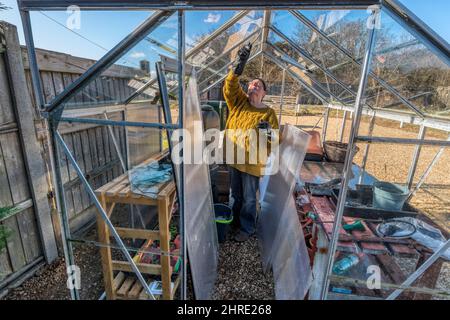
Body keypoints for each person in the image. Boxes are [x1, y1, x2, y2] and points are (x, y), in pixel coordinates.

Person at [222, 43, 279, 242]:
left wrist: (268, 133)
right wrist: (237, 67)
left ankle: (247, 228)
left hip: (253, 163)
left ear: (264, 93)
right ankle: (232, 223)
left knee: (249, 198)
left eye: (258, 85)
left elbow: (274, 141)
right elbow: (229, 88)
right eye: (252, 84)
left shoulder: (268, 112)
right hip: (234, 158)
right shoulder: (238, 102)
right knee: (234, 195)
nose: (253, 86)